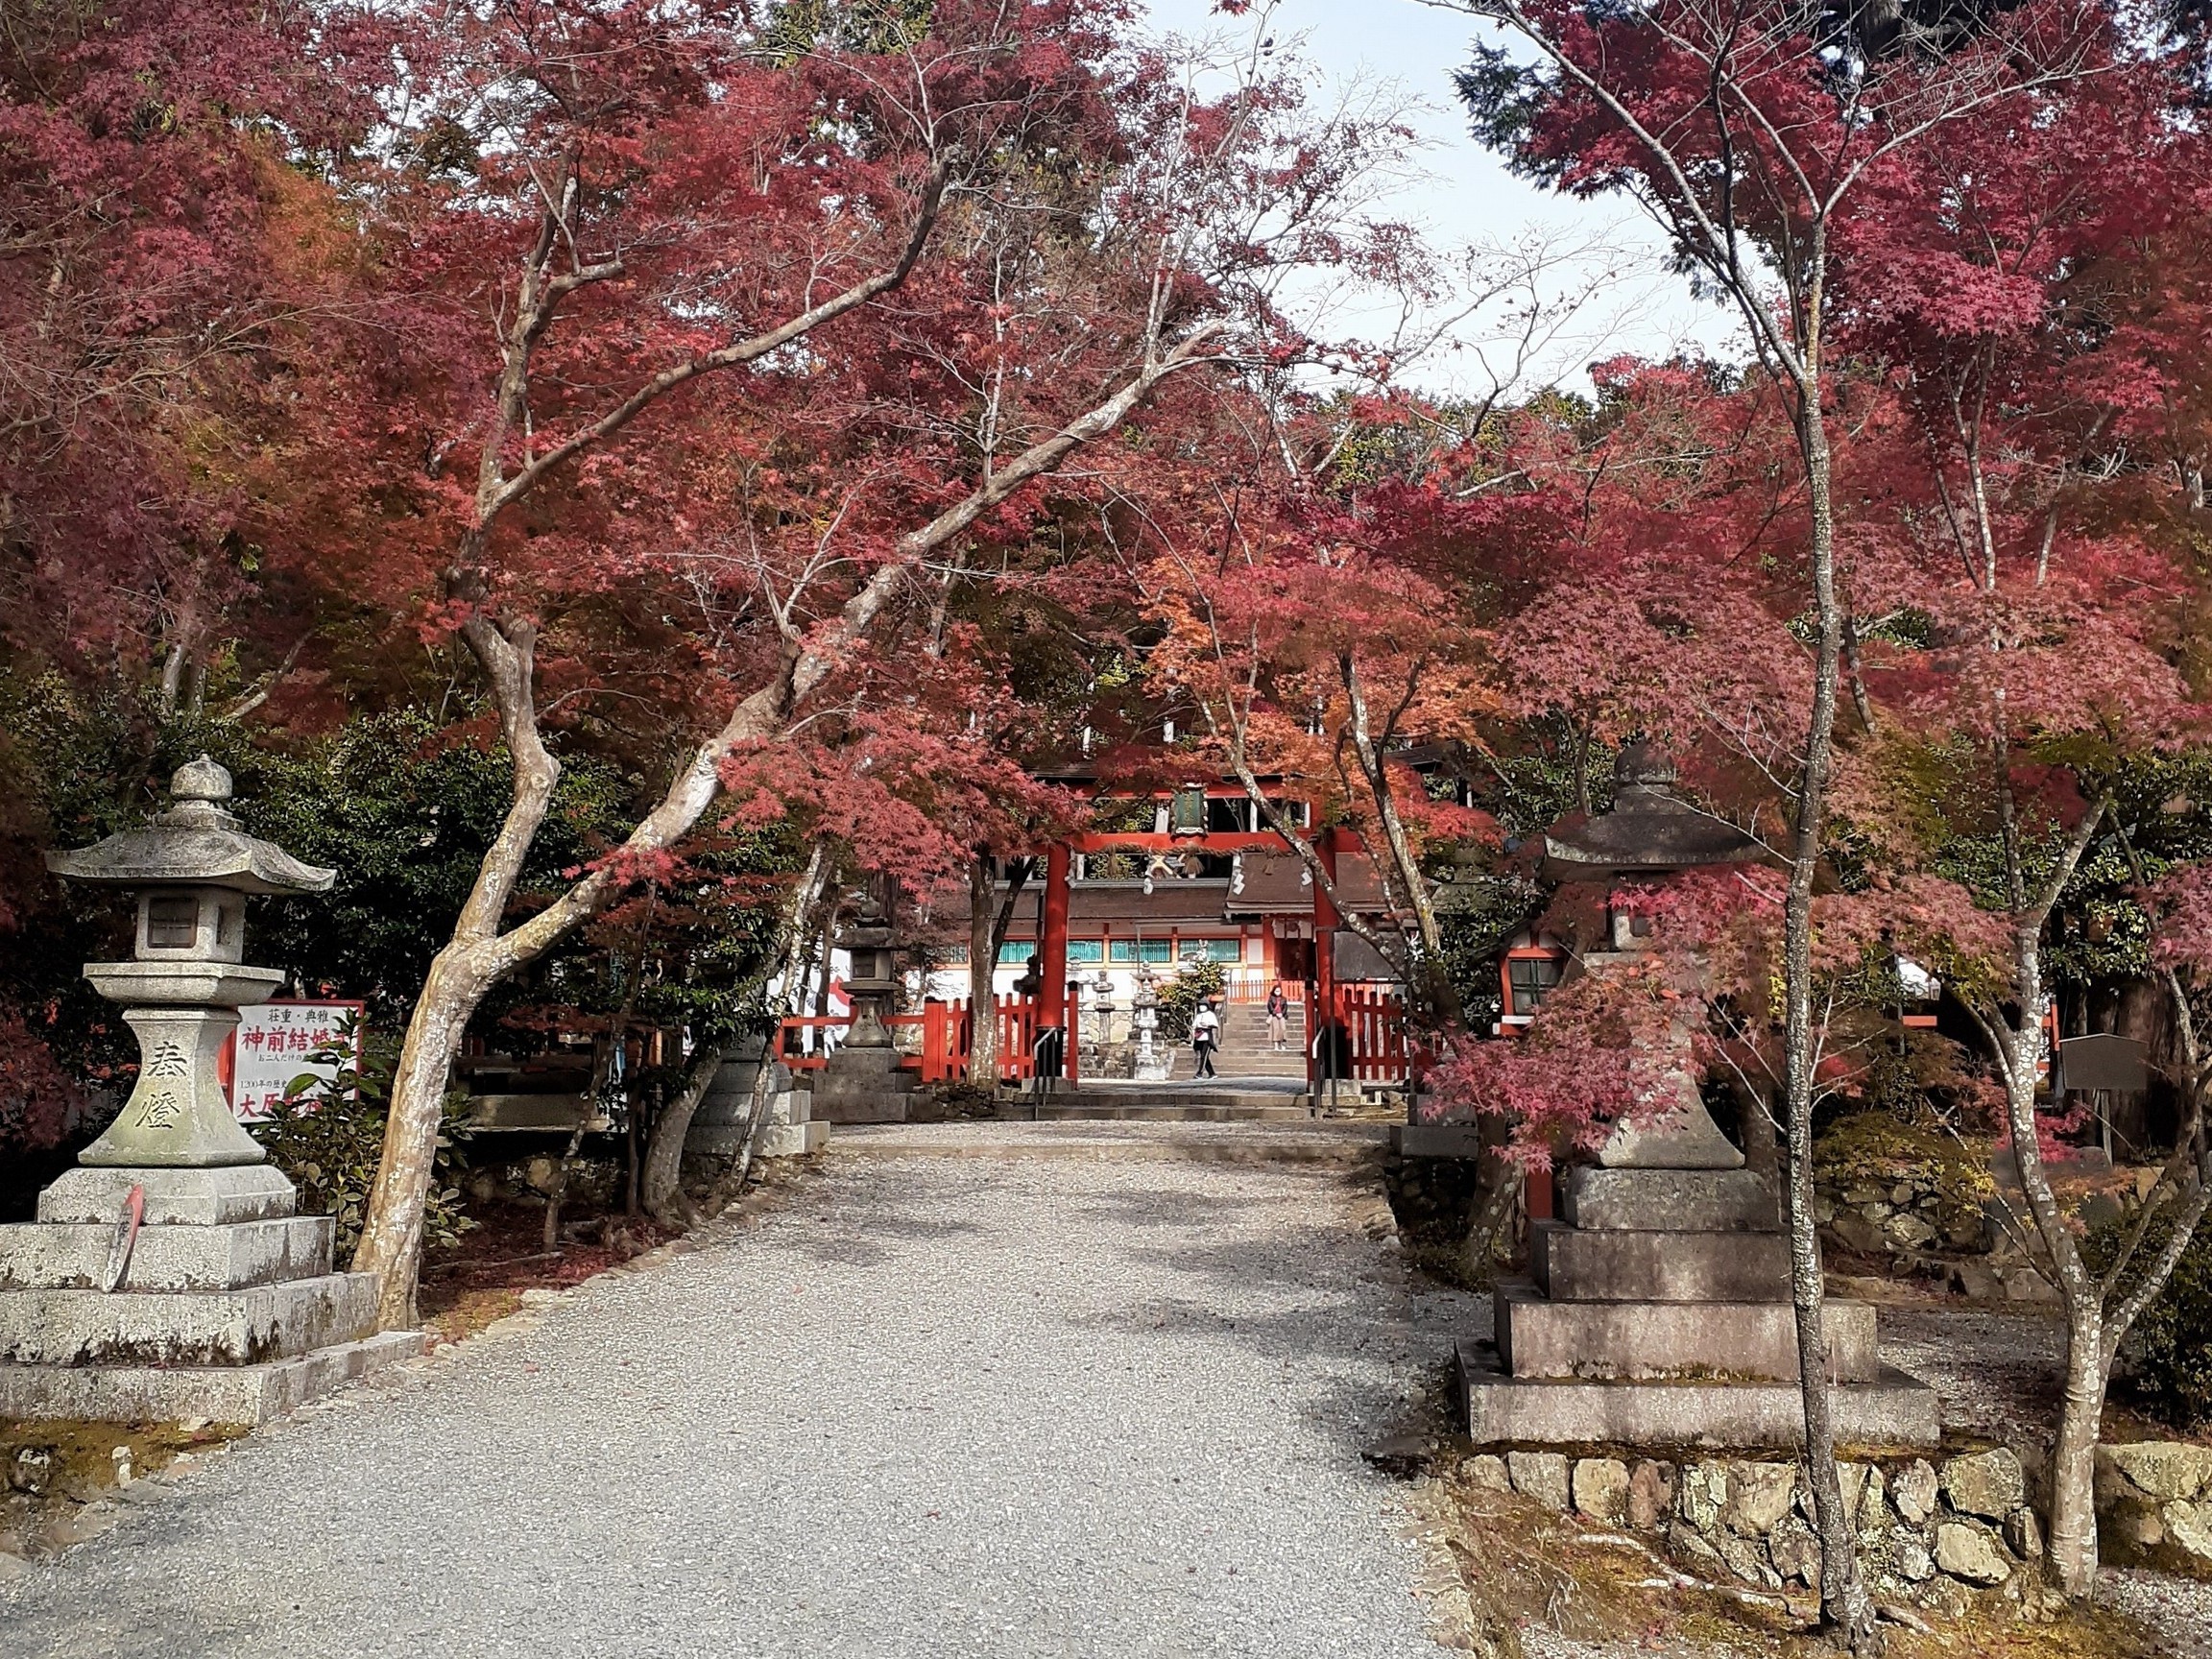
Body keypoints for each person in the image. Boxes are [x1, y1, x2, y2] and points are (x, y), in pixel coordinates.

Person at [1190, 998, 1222, 1079]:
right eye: (1200, 1005)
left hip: (1207, 1038)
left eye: (1203, 1005)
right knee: (1204, 1057)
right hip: (1199, 1037)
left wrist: (1207, 1025)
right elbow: (1194, 1025)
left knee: (1204, 1056)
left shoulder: (1210, 1014)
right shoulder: (1198, 1015)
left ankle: (1200, 1073)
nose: (1201, 1007)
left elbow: (1215, 1025)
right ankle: (1212, 1073)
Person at [1265, 983, 1290, 1052]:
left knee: (1283, 1029)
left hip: (1282, 1015)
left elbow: (1285, 1007)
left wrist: (1282, 1014)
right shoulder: (1271, 998)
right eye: (1276, 991)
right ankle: (1276, 1045)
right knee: (1276, 1029)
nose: (1278, 992)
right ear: (1274, 991)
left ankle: (1282, 1044)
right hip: (1274, 1016)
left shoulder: (1284, 999)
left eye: (1279, 991)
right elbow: (1270, 1007)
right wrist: (1275, 1013)